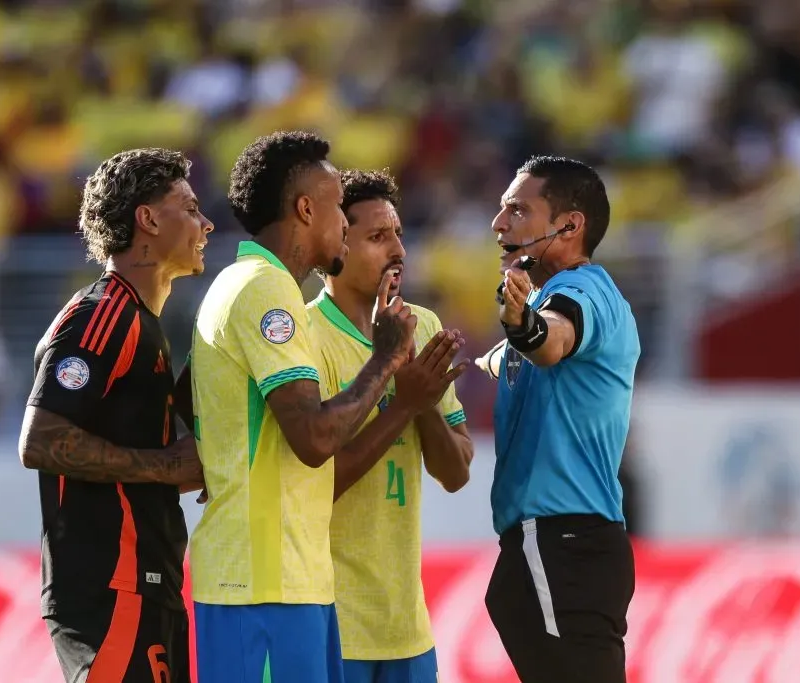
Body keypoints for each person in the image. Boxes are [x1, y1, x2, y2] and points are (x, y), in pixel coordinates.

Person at [189, 132, 416, 683]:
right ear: (306, 208)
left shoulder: (254, 285)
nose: (344, 221)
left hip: (289, 578)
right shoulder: (264, 289)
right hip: (263, 583)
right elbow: (314, 439)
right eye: (339, 206)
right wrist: (385, 361)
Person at [18, 148, 211, 683]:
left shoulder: (142, 322)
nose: (206, 222)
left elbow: (154, 454)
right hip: (112, 586)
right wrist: (165, 467)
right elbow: (40, 439)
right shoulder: (104, 313)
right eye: (190, 208)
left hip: (149, 585)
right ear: (147, 219)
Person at [308, 168, 474, 683]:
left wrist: (421, 402)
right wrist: (402, 404)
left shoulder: (420, 325)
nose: (398, 249)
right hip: (335, 623)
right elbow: (315, 484)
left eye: (399, 233)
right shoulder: (303, 336)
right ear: (336, 242)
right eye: (378, 237)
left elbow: (456, 472)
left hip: (408, 627)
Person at [483, 155, 641, 683]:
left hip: (561, 542)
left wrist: (522, 323)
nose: (498, 223)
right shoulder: (559, 292)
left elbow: (550, 340)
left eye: (517, 209)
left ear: (569, 225)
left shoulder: (581, 291)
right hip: (566, 546)